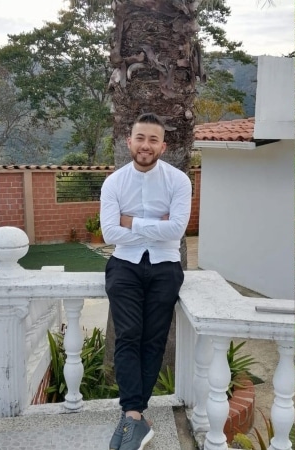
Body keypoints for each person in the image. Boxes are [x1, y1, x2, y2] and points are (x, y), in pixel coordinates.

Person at [100, 112, 192, 450]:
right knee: (127, 337)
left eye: (153, 140)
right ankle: (134, 415)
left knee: (153, 341)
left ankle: (133, 419)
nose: (146, 145)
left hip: (166, 267)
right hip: (123, 266)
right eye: (140, 138)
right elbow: (110, 233)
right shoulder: (114, 183)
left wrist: (132, 223)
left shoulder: (179, 182)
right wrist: (155, 223)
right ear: (129, 141)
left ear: (163, 146)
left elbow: (176, 231)